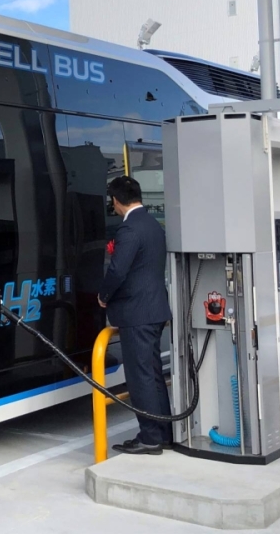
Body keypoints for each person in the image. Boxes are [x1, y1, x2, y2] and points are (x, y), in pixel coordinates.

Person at [99, 176, 173, 455]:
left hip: (137, 313)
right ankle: (162, 432)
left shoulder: (128, 230)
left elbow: (117, 270)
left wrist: (103, 296)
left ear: (116, 201)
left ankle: (150, 437)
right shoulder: (153, 224)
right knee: (152, 374)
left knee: (140, 377)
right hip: (154, 310)